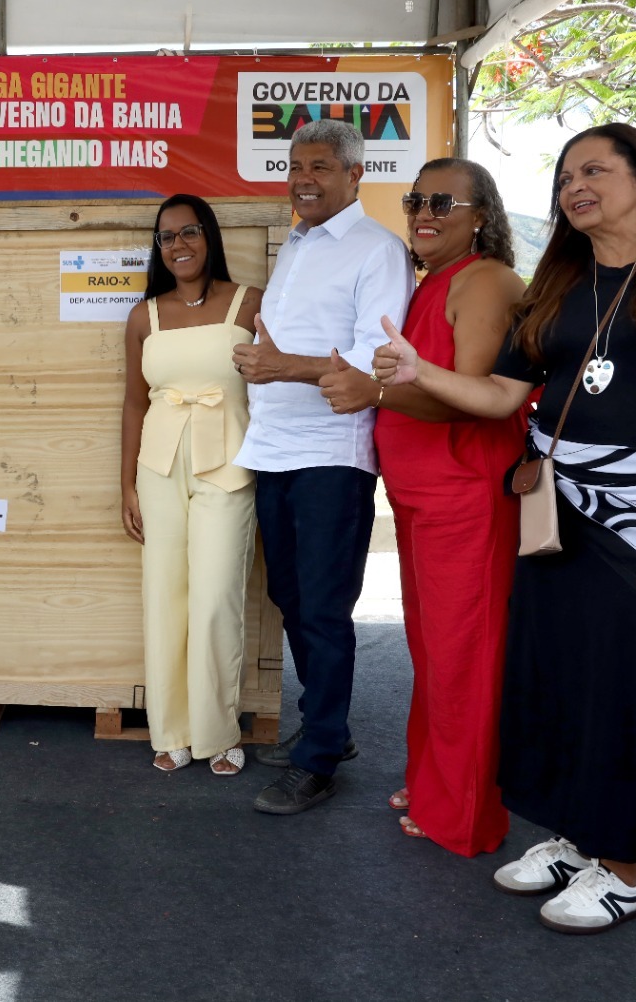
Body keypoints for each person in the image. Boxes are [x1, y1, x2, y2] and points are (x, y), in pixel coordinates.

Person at [374, 122, 636, 934]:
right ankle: (574, 839)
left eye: (595, 170)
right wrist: (420, 372)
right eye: (566, 175)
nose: (575, 186)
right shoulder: (559, 283)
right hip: (561, 511)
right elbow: (502, 396)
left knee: (631, 686)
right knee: (560, 677)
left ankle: (623, 868)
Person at [319, 158, 527, 853]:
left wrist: (373, 391)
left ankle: (463, 813)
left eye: (443, 200)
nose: (423, 212)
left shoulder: (487, 280)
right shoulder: (432, 281)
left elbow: (474, 394)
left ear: (482, 216)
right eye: (415, 200)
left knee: (464, 655)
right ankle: (437, 775)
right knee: (434, 652)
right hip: (424, 499)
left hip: (467, 498)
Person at [232, 119, 413, 814]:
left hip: (333, 455)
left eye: (319, 167)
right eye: (295, 166)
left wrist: (285, 366)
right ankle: (327, 731)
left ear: (355, 175)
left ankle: (319, 757)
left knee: (325, 609)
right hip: (274, 449)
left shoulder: (377, 250)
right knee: (293, 599)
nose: (303, 178)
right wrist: (260, 366)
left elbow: (380, 361)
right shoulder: (299, 242)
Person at [121, 194, 261, 775]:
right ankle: (171, 730)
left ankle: (218, 730)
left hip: (228, 463)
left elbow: (273, 390)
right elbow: (132, 402)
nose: (178, 246)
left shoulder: (249, 303)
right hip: (159, 466)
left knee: (214, 598)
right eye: (166, 237)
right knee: (165, 597)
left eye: (189, 233)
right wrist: (125, 484)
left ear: (210, 237)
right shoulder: (143, 315)